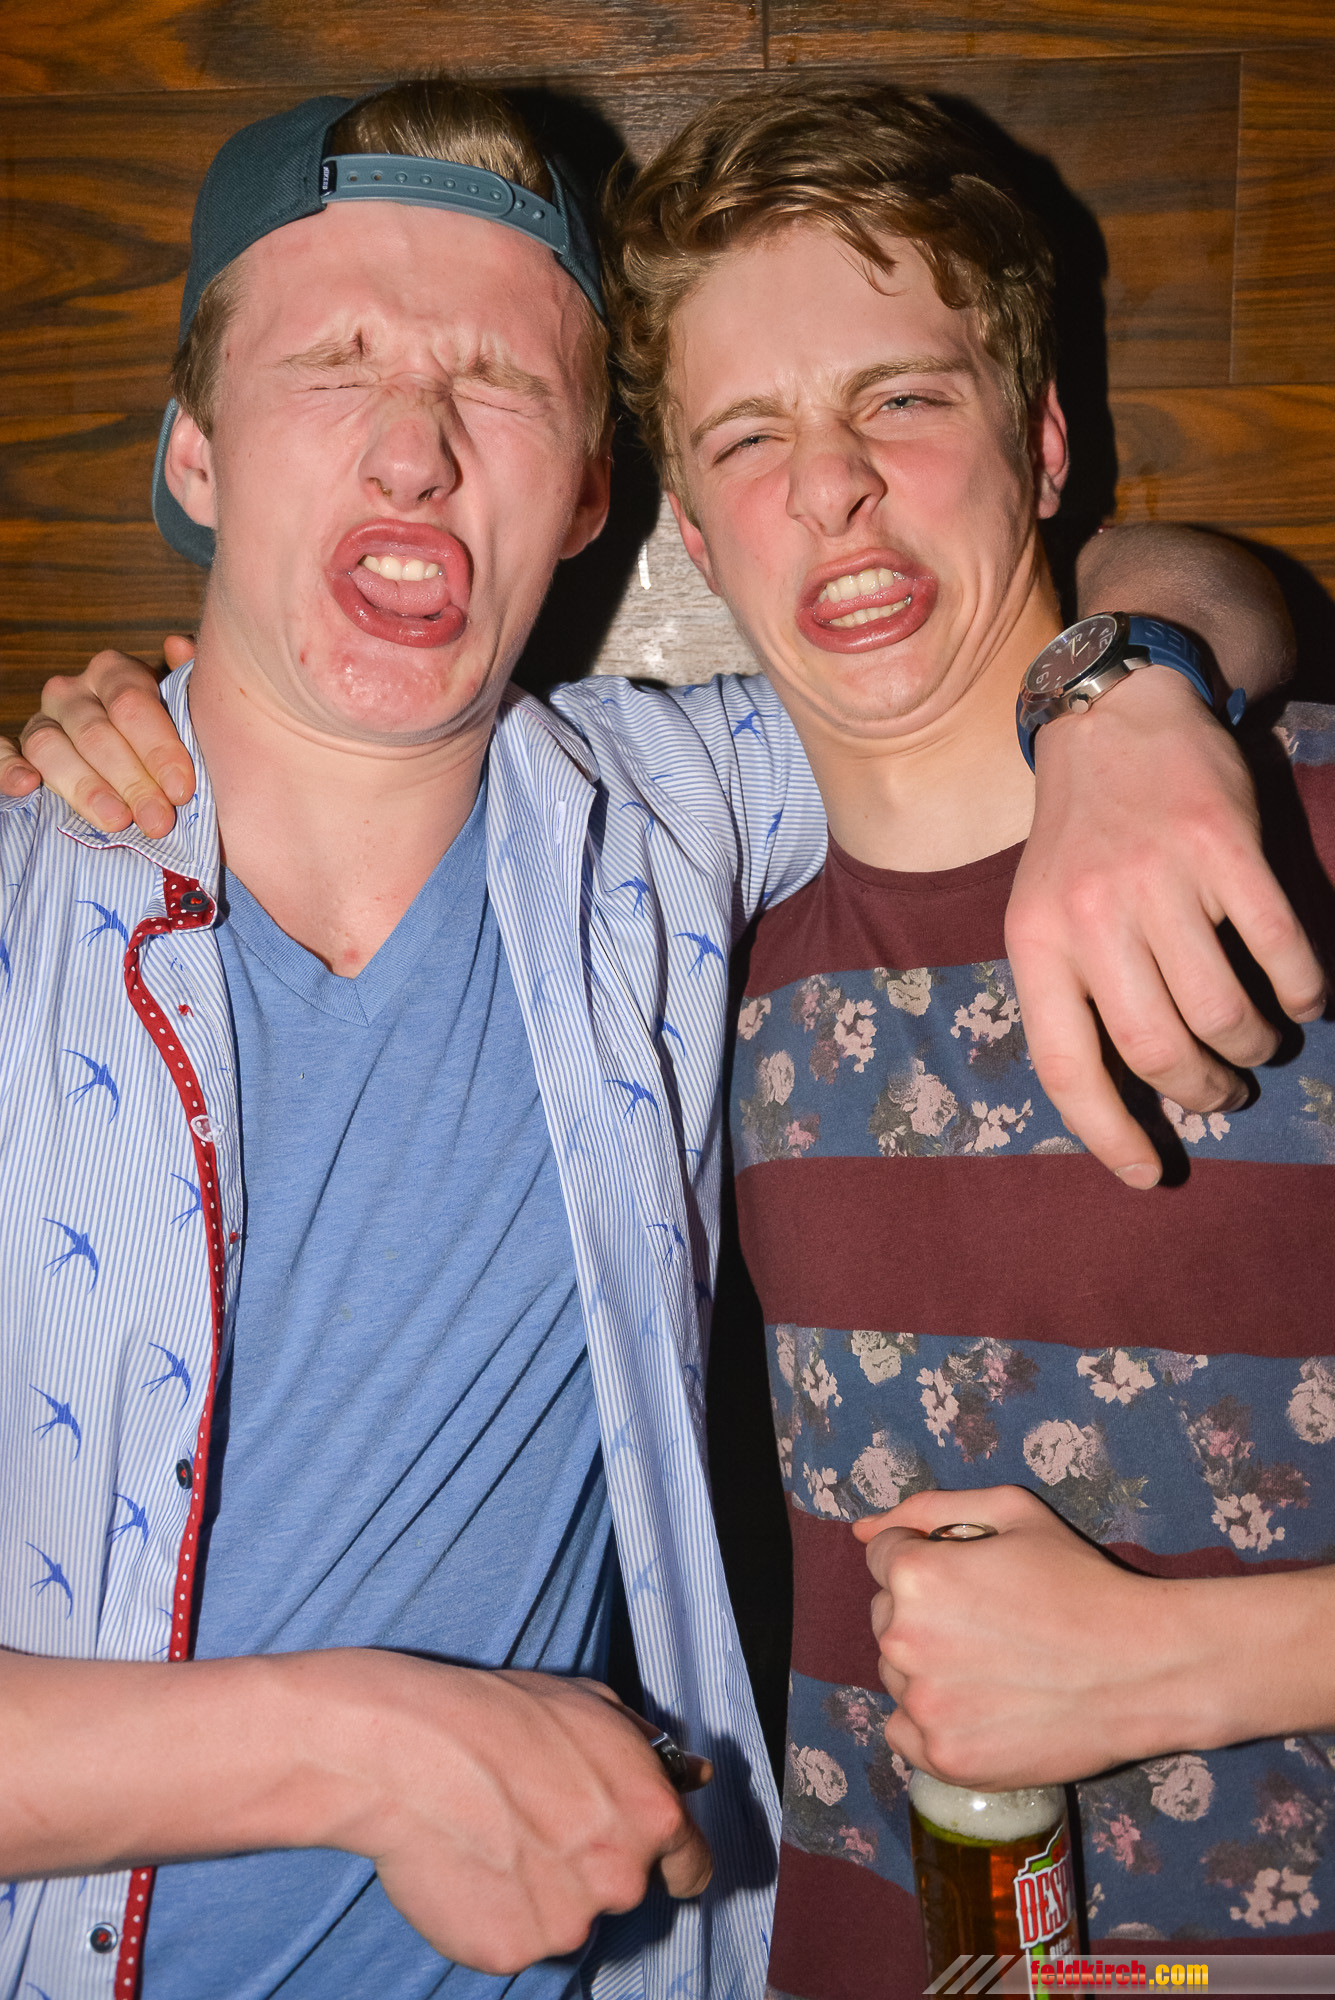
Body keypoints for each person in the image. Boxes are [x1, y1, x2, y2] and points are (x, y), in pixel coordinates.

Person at [0, 71, 1323, 2000]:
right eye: (333, 367)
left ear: (599, 500)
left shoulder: (679, 823)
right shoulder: (24, 919)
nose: (413, 453)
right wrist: (356, 1749)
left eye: (499, 386)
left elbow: (1016, 608)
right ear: (193, 452)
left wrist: (1124, 690)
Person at [601, 78, 1335, 1998]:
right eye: (749, 437)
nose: (830, 487)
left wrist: (1186, 1665)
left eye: (901, 400)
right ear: (695, 532)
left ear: (1046, 439)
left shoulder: (1310, 851)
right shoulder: (690, 988)